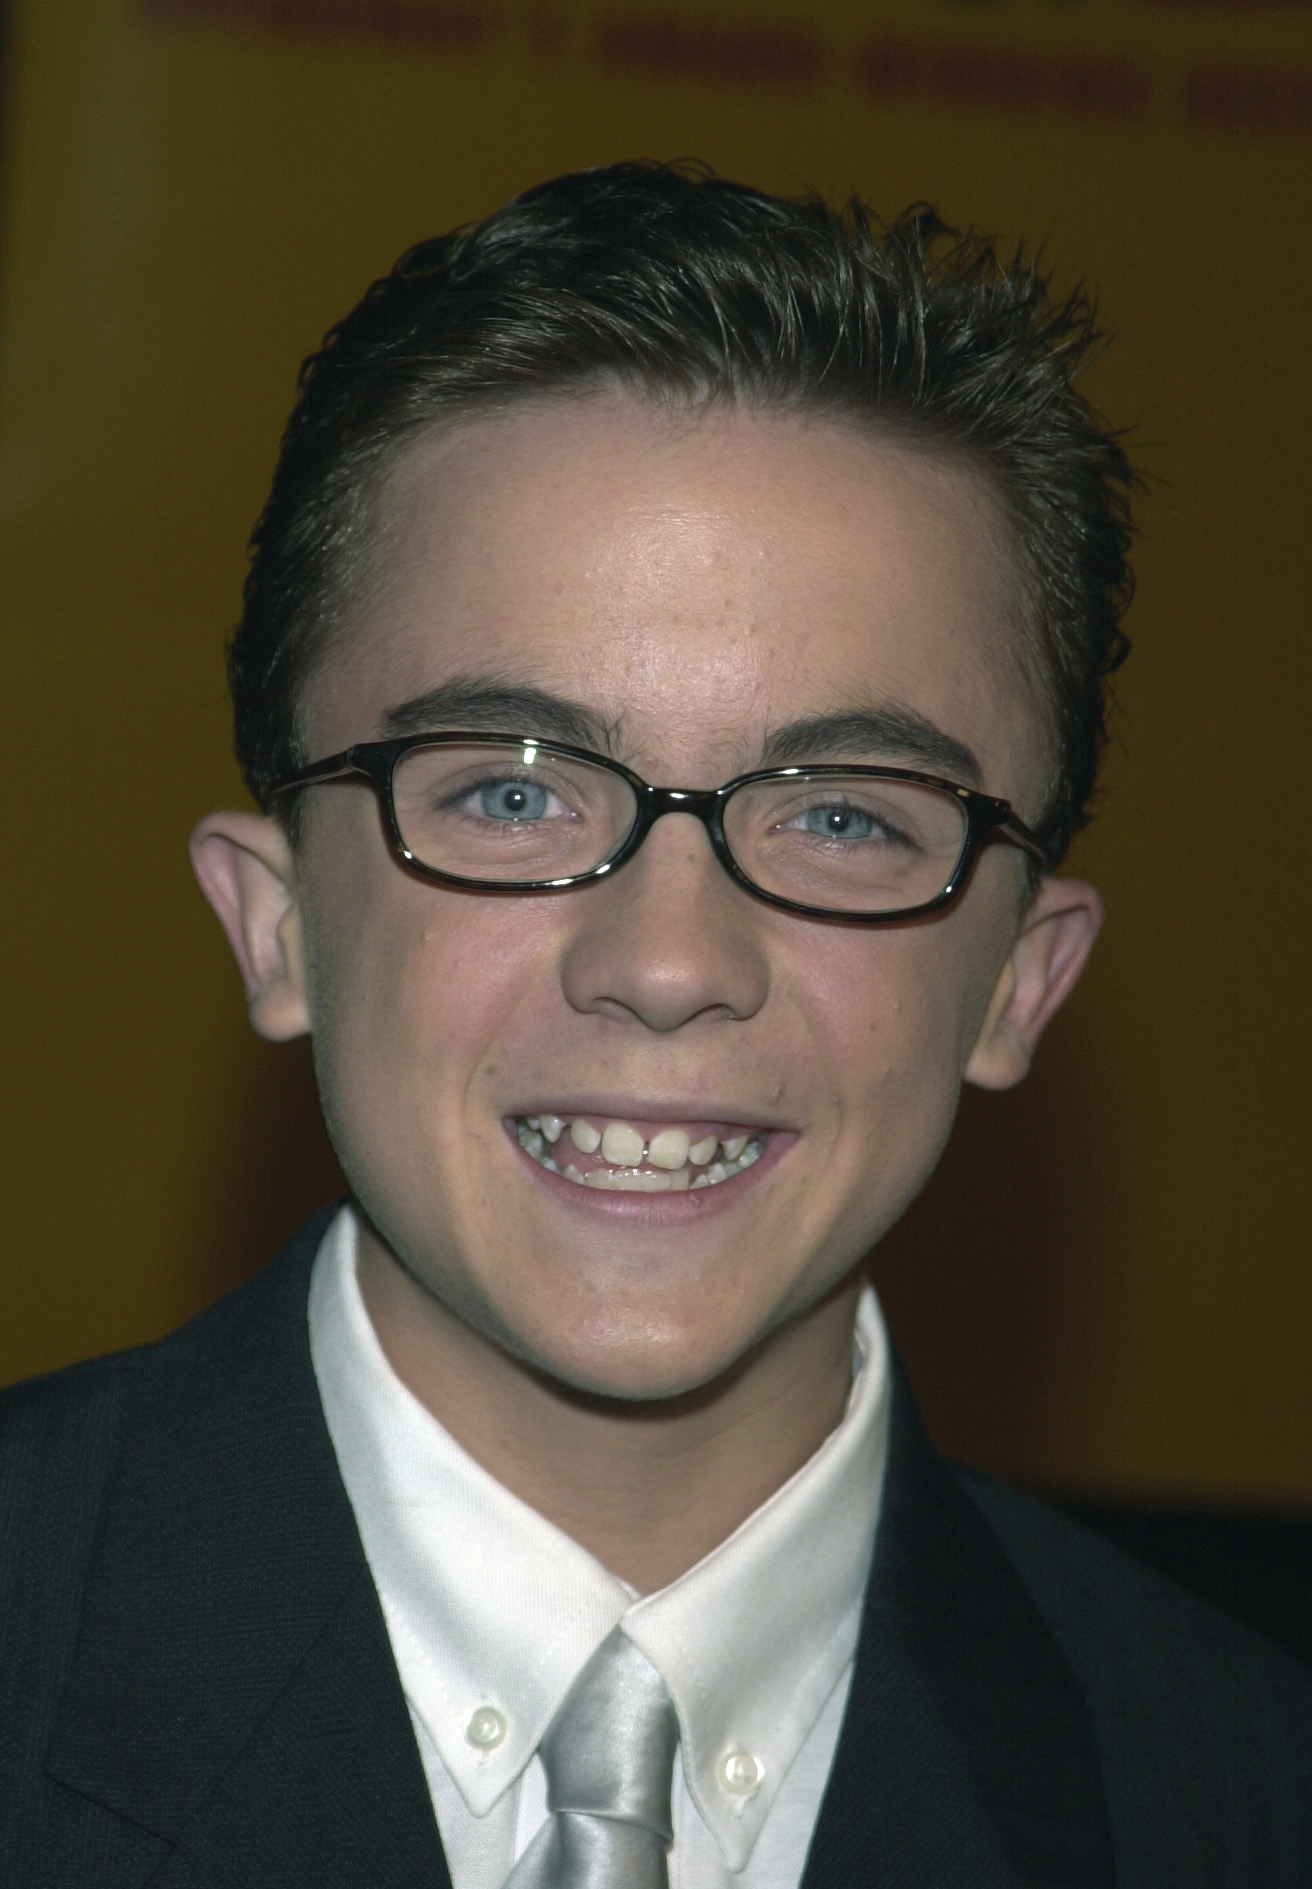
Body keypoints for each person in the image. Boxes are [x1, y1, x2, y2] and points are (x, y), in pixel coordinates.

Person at [2, 162, 1308, 1887]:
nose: (671, 957)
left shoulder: (1237, 1797)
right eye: (512, 793)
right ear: (278, 920)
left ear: (1019, 979)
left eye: (843, 814)